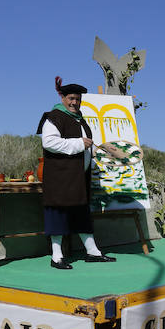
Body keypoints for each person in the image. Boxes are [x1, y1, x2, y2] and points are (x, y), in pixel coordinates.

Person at [36, 79, 115, 269]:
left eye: (78, 100)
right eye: (71, 98)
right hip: (60, 178)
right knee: (58, 213)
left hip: (79, 177)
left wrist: (98, 151)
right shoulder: (53, 117)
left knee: (81, 214)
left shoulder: (80, 119)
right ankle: (56, 257)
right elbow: (49, 143)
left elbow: (84, 146)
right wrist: (80, 143)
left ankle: (92, 252)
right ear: (62, 98)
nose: (74, 103)